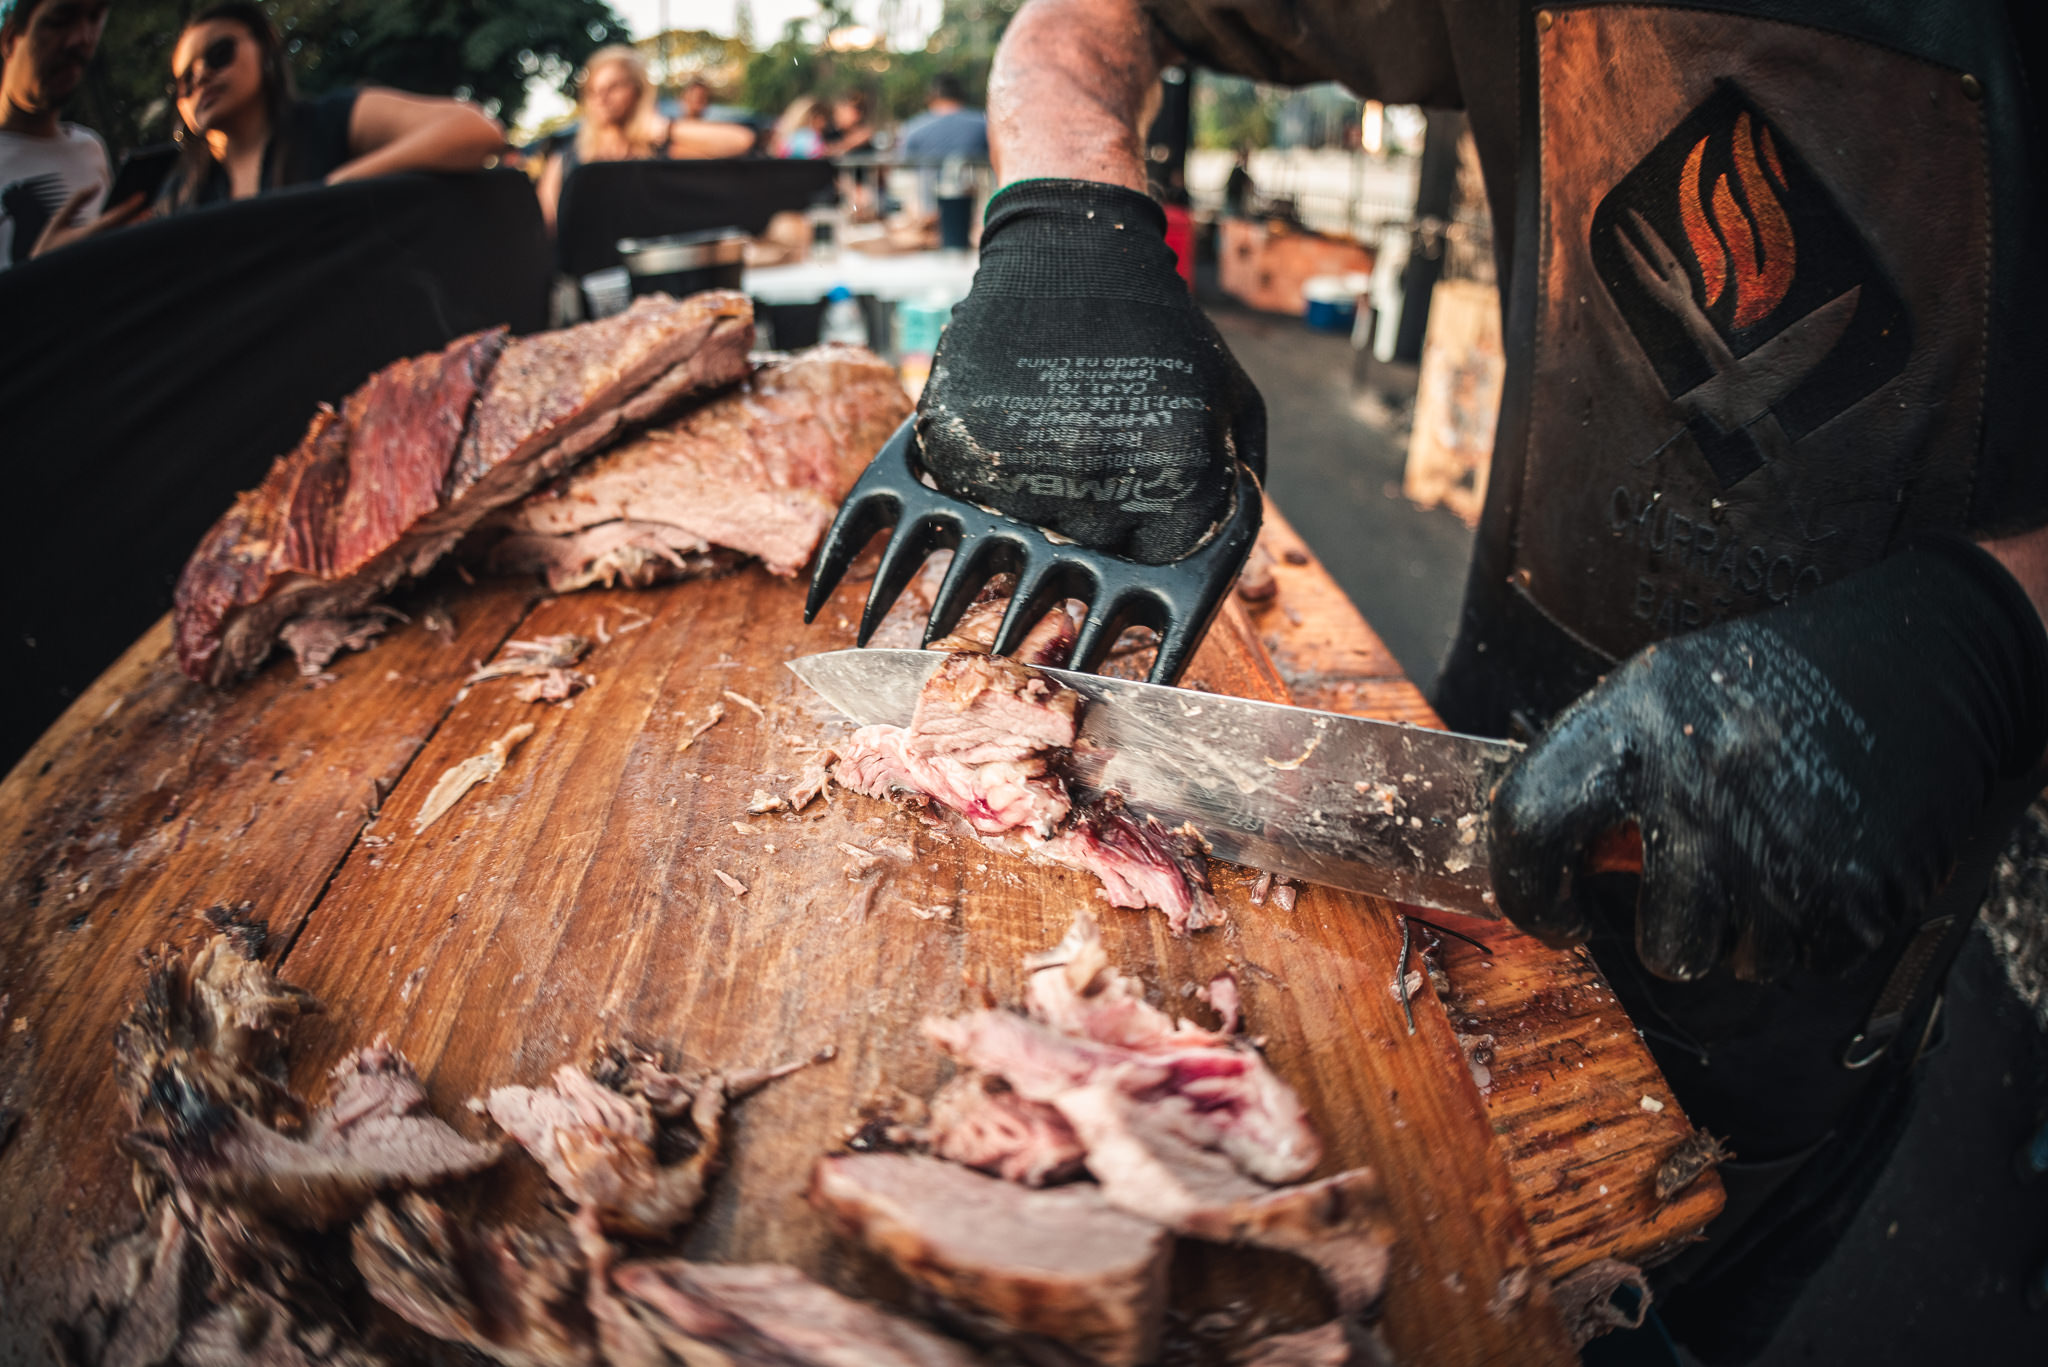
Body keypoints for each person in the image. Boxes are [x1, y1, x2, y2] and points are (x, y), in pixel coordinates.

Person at [881, 1, 2048, 1360]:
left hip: (1900, 872)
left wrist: (1992, 623)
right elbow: (1089, 13)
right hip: (1487, 750)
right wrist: (1068, 216)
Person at [161, 2, 503, 215]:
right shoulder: (178, 194)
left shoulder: (327, 120)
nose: (201, 76)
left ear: (265, 50)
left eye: (218, 54)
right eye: (184, 80)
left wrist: (338, 185)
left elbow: (473, 129)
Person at [0, 0, 142, 267]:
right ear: (10, 39)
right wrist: (44, 269)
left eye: (94, 18)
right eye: (60, 19)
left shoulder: (90, 149)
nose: (82, 38)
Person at [535, 44, 664, 226]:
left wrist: (668, 129)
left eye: (613, 87)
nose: (601, 98)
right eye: (593, 90)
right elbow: (546, 226)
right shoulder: (565, 160)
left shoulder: (660, 148)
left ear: (638, 90)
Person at [897, 72, 987, 165]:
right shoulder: (984, 125)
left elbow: (904, 167)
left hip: (927, 179)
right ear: (962, 95)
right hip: (972, 179)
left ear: (930, 96)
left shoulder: (913, 127)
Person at [667, 76, 753, 159]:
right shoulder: (673, 126)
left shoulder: (712, 128)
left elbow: (744, 140)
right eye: (693, 97)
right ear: (683, 99)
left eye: (701, 98)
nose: (696, 102)